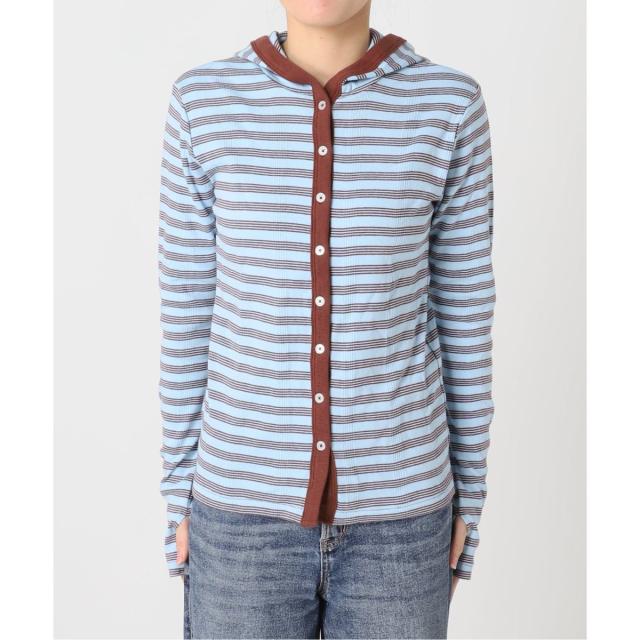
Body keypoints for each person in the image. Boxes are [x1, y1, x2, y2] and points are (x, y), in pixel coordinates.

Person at [158, 0, 495, 637]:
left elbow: (465, 316)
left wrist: (469, 502)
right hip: (239, 515)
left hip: (401, 522)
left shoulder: (449, 105)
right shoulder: (202, 102)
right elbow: (187, 313)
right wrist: (179, 494)